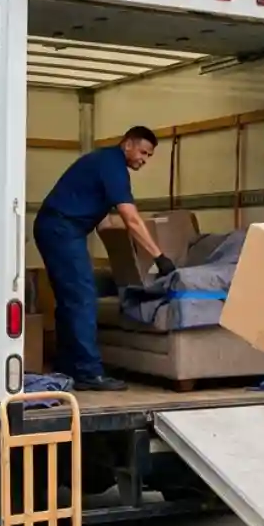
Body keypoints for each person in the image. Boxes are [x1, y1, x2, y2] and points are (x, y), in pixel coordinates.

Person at [34, 126, 176, 392]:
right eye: (143, 152)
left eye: (149, 156)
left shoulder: (104, 161)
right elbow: (130, 218)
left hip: (57, 227)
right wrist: (160, 257)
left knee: (70, 299)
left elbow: (106, 222)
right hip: (61, 229)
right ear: (128, 144)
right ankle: (89, 373)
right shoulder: (113, 167)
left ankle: (68, 366)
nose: (144, 160)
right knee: (83, 296)